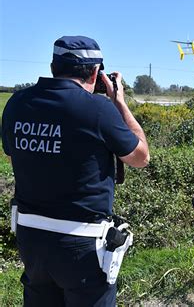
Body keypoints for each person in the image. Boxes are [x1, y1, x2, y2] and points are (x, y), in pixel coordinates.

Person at [1, 35, 149, 306]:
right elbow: (140, 157)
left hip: (31, 238)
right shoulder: (98, 108)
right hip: (82, 244)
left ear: (53, 66)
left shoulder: (17, 103)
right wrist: (120, 102)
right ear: (95, 72)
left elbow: (12, 157)